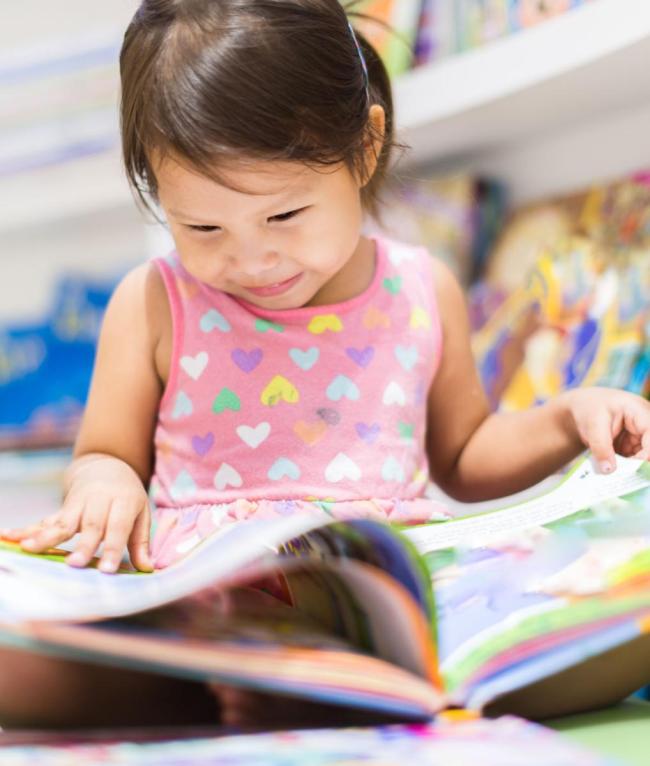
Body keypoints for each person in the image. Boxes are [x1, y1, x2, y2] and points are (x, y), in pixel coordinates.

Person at [2, 0, 650, 730]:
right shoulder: (155, 303)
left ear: (366, 147)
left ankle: (317, 691)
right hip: (217, 604)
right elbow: (102, 456)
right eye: (201, 227)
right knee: (19, 670)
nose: (249, 259)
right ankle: (243, 688)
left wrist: (570, 417)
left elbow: (467, 456)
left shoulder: (421, 289)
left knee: (619, 623)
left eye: (283, 216)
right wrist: (105, 486)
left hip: (389, 602)